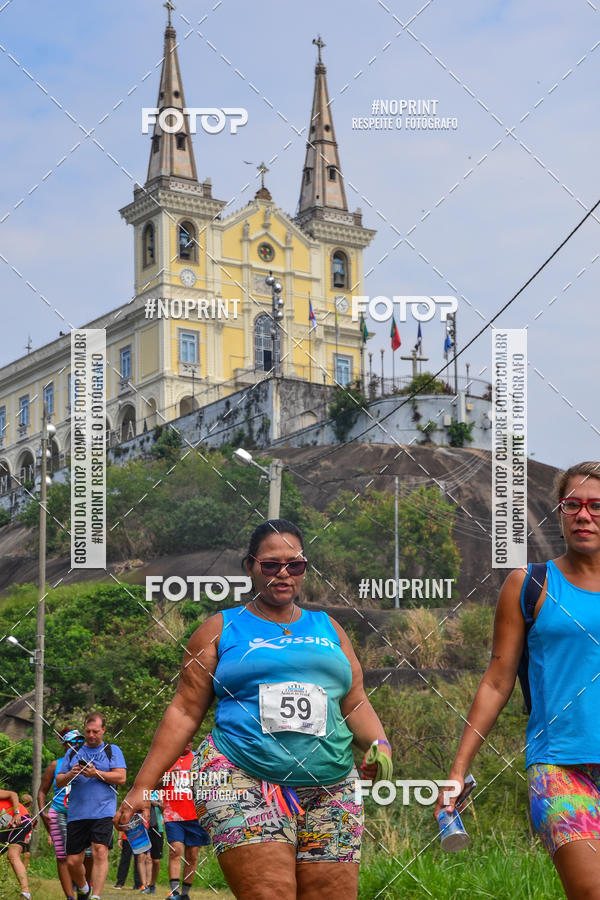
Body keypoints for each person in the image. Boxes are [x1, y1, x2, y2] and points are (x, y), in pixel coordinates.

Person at [115, 518, 391, 900]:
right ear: (250, 567)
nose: (283, 573)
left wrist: (381, 745)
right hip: (241, 777)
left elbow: (355, 700)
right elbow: (184, 711)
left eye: (294, 565)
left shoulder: (329, 627)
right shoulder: (219, 628)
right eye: (271, 564)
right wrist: (143, 787)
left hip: (330, 785)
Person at [435, 461, 600, 899]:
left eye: (597, 506)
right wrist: (458, 770)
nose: (584, 516)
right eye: (573, 505)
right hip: (561, 767)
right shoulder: (529, 584)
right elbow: (496, 682)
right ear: (560, 511)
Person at [56, 712, 127, 900]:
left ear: (103, 729)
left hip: (103, 811)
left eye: (96, 731)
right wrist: (71, 773)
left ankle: (96, 896)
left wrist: (96, 773)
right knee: (72, 861)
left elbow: (121, 778)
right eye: (88, 731)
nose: (91, 735)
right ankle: (84, 888)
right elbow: (59, 781)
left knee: (100, 851)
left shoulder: (113, 750)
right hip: (77, 813)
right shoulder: (73, 752)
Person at [38, 727, 85, 900]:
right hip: (58, 813)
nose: (77, 745)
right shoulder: (55, 765)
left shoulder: (89, 762)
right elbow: (42, 791)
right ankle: (70, 897)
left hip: (83, 814)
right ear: (65, 745)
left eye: (80, 741)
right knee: (62, 856)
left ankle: (84, 890)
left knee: (86, 855)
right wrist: (43, 812)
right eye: (73, 742)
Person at [162, 742, 210, 898]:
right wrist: (168, 777)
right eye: (185, 740)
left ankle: (185, 894)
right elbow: (155, 784)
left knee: (192, 855)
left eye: (191, 741)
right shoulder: (168, 758)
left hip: (195, 814)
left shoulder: (198, 759)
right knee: (175, 850)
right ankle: (174, 892)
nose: (188, 743)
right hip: (173, 814)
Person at [0, 788, 33, 899]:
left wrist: (17, 813)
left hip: (20, 819)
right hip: (7, 827)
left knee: (13, 855)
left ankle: (26, 893)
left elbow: (13, 794)